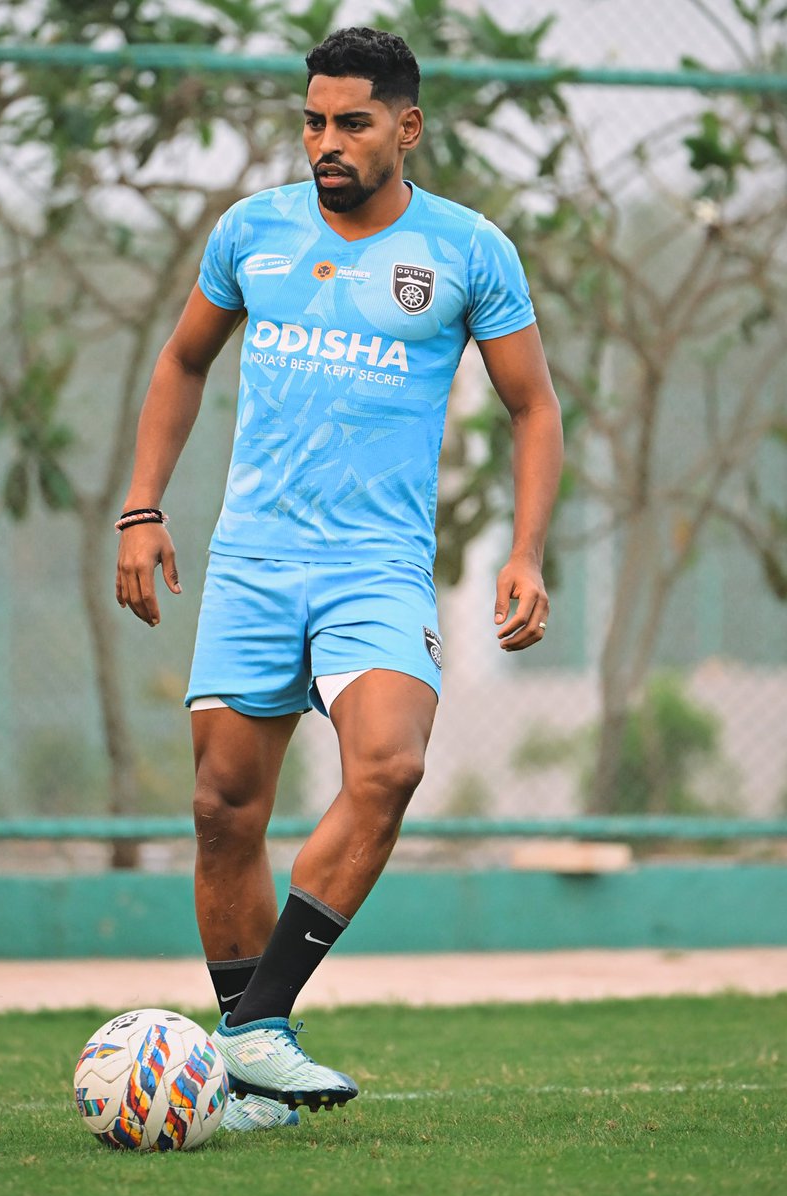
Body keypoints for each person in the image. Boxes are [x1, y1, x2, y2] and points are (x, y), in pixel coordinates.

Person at [115, 26, 563, 1133]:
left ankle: (254, 1029)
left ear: (406, 127)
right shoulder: (249, 233)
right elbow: (182, 359)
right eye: (313, 120)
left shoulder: (468, 251)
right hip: (254, 560)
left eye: (352, 122)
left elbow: (534, 408)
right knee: (223, 808)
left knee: (392, 765)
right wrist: (140, 506)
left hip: (377, 566)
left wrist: (523, 550)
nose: (327, 141)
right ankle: (252, 1076)